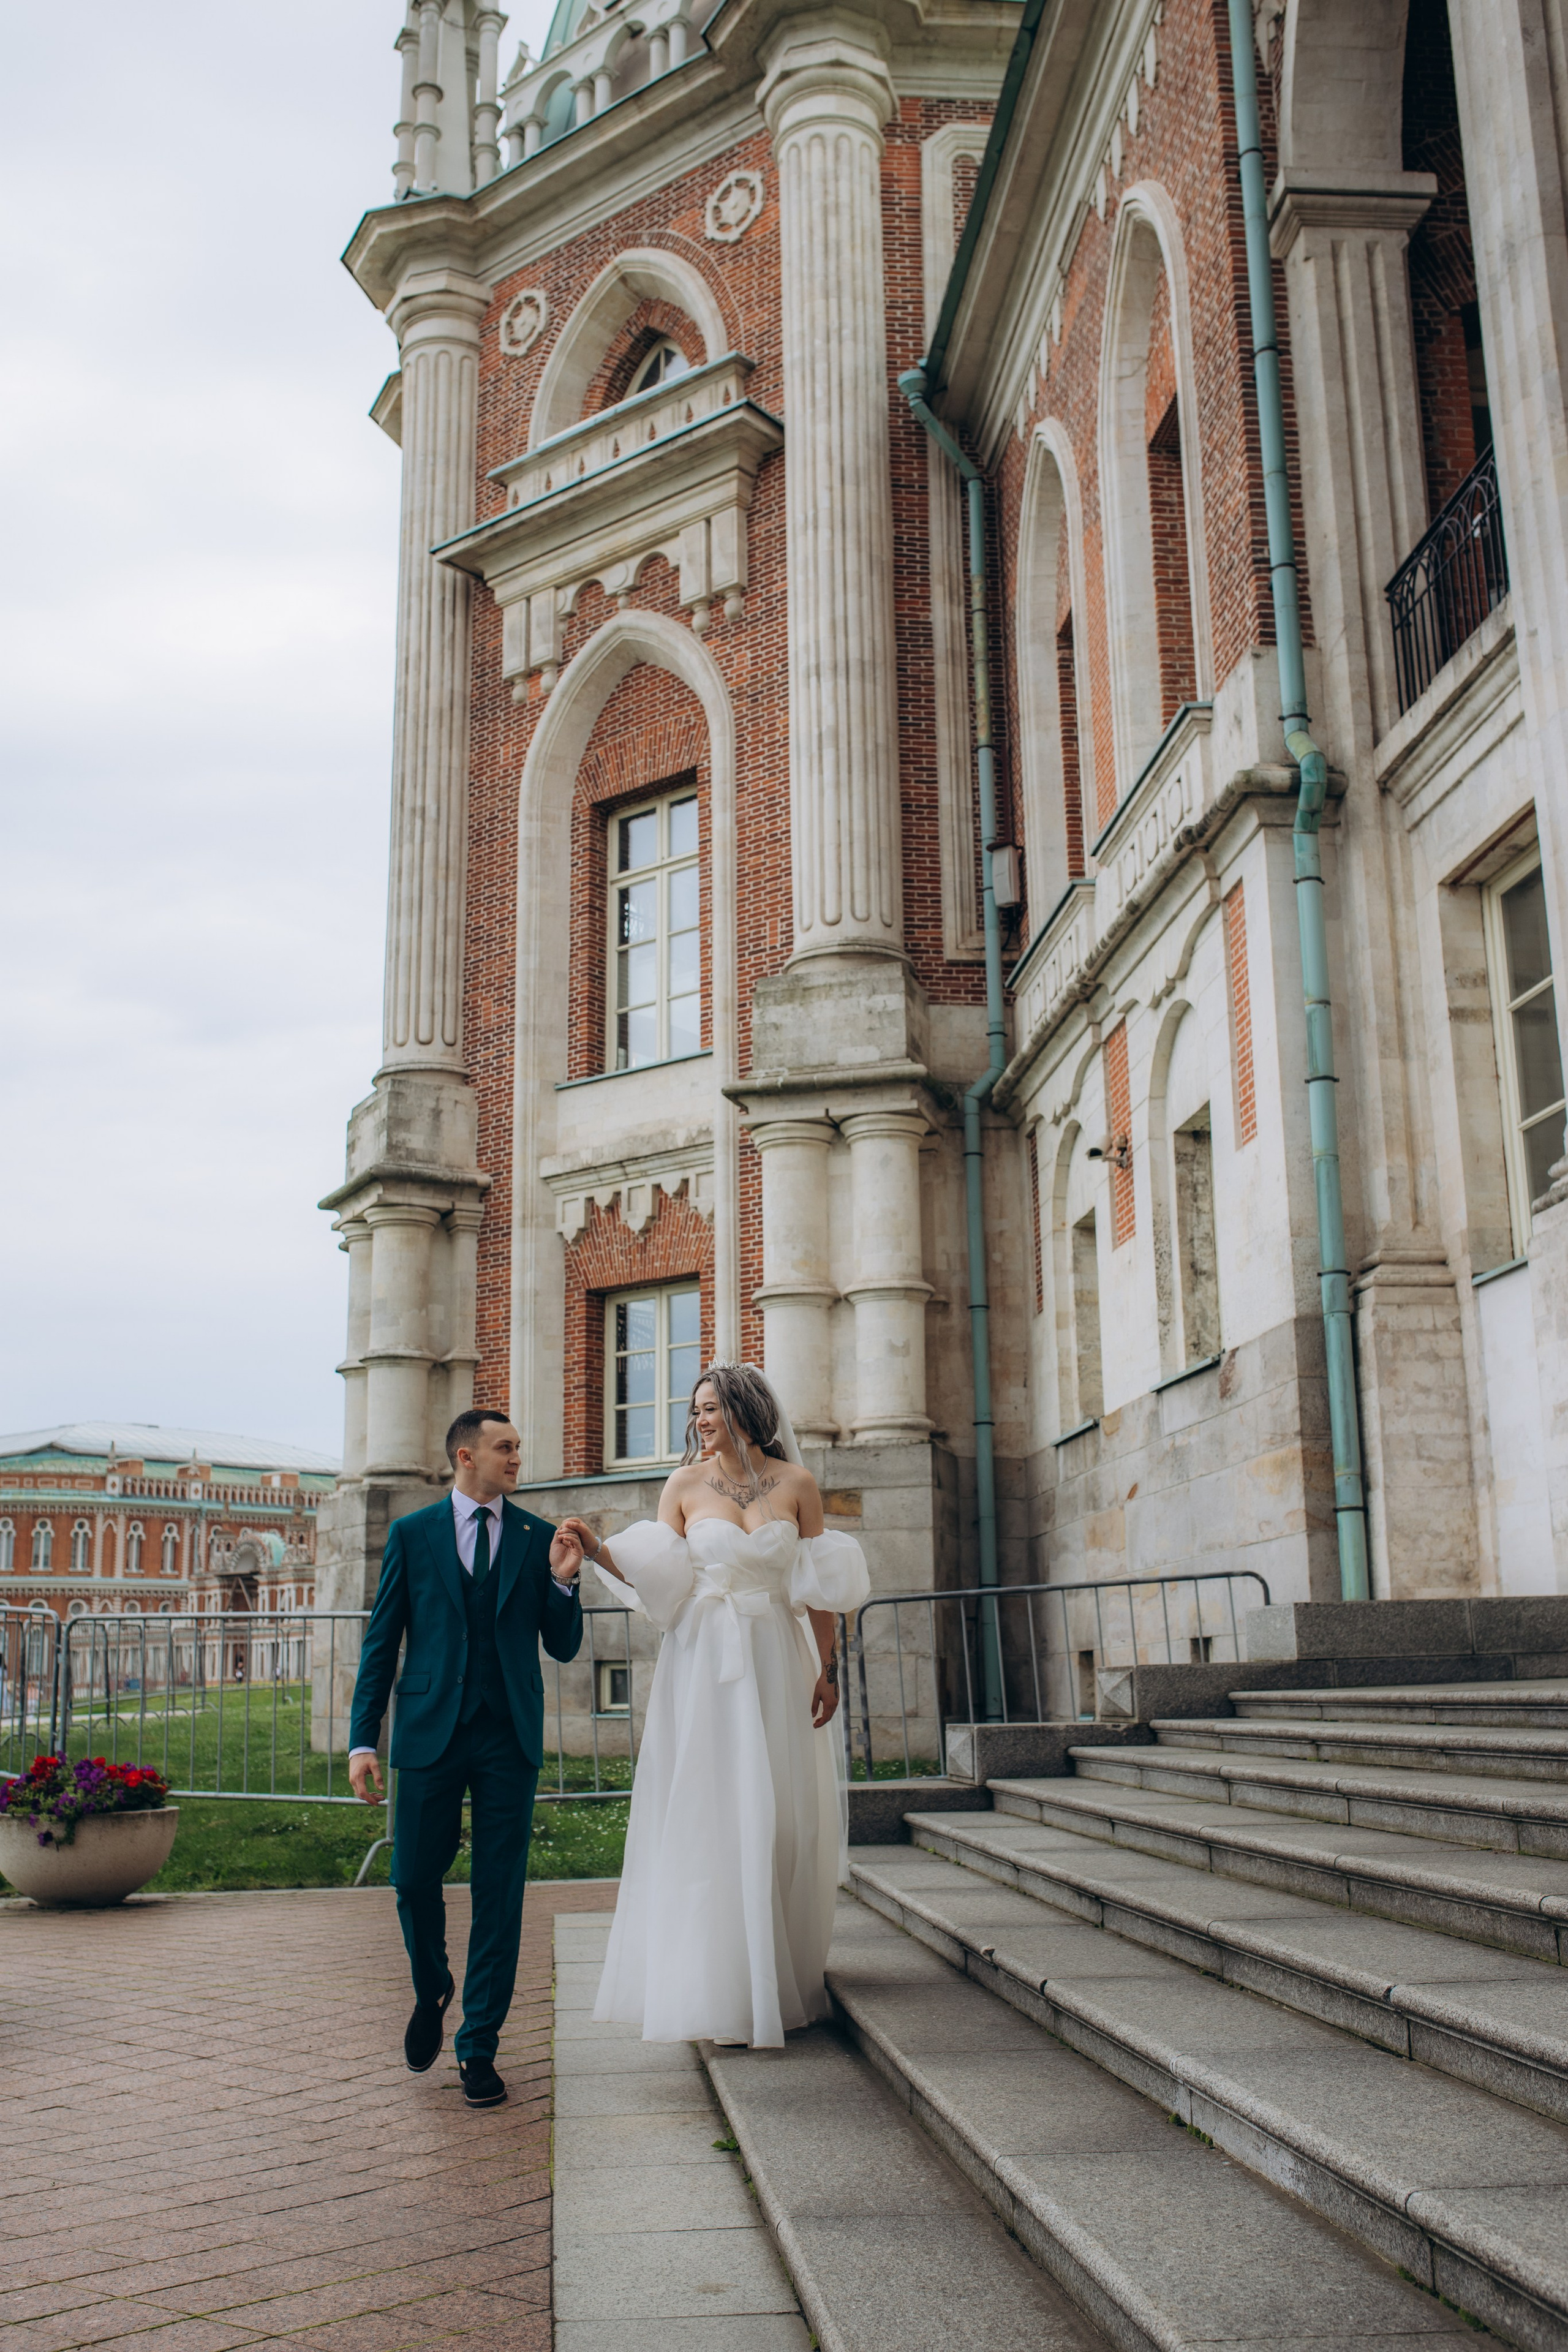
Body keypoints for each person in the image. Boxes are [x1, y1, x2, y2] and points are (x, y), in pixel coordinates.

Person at [559, 1360, 870, 2048]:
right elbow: (657, 1577)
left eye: (709, 1408)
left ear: (746, 1411)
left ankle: (777, 1971)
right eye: (694, 1410)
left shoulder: (797, 1485)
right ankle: (711, 1987)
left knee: (782, 1818)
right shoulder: (683, 1485)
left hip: (774, 1658)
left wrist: (827, 1669)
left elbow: (814, 1588)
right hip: (703, 1663)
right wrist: (595, 1549)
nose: (698, 1420)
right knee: (710, 1814)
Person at [349, 1409, 585, 2108]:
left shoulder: (538, 1536)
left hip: (506, 1735)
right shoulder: (412, 1535)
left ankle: (478, 2044)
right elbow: (380, 1641)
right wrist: (366, 1738)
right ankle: (433, 1987)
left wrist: (566, 1584)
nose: (516, 1458)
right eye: (504, 1447)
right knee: (411, 1880)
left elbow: (564, 1645)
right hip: (427, 1731)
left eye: (517, 1446)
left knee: (499, 1895)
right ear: (465, 1456)